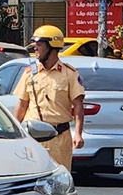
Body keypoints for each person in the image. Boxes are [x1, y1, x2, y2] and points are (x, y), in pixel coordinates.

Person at [11, 25, 86, 170]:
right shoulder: (29, 73)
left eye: (39, 45)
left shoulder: (69, 74)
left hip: (59, 138)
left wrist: (78, 134)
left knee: (59, 179)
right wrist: (13, 132)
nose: (35, 49)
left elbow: (78, 105)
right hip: (33, 138)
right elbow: (22, 105)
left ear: (52, 47)